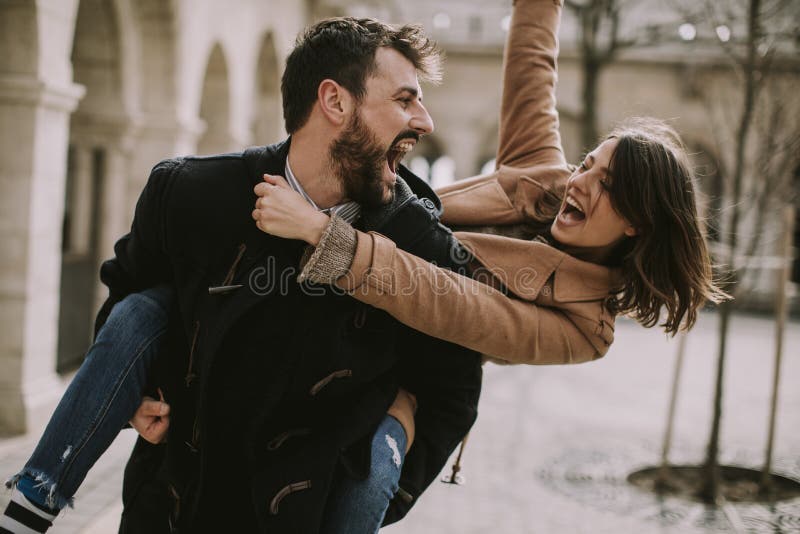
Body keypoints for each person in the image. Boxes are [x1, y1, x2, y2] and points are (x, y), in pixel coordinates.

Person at [2, 15, 483, 534]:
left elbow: (455, 381)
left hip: (307, 512)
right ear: (335, 101)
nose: (425, 122)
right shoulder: (189, 192)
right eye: (405, 99)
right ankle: (28, 511)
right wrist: (135, 401)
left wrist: (375, 484)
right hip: (175, 506)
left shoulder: (418, 238)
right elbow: (128, 302)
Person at [252, 0, 726, 362]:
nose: (578, 184)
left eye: (609, 185)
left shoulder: (585, 328)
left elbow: (452, 304)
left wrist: (323, 235)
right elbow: (533, 68)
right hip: (305, 252)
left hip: (361, 355)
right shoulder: (543, 181)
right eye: (587, 165)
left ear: (637, 223)